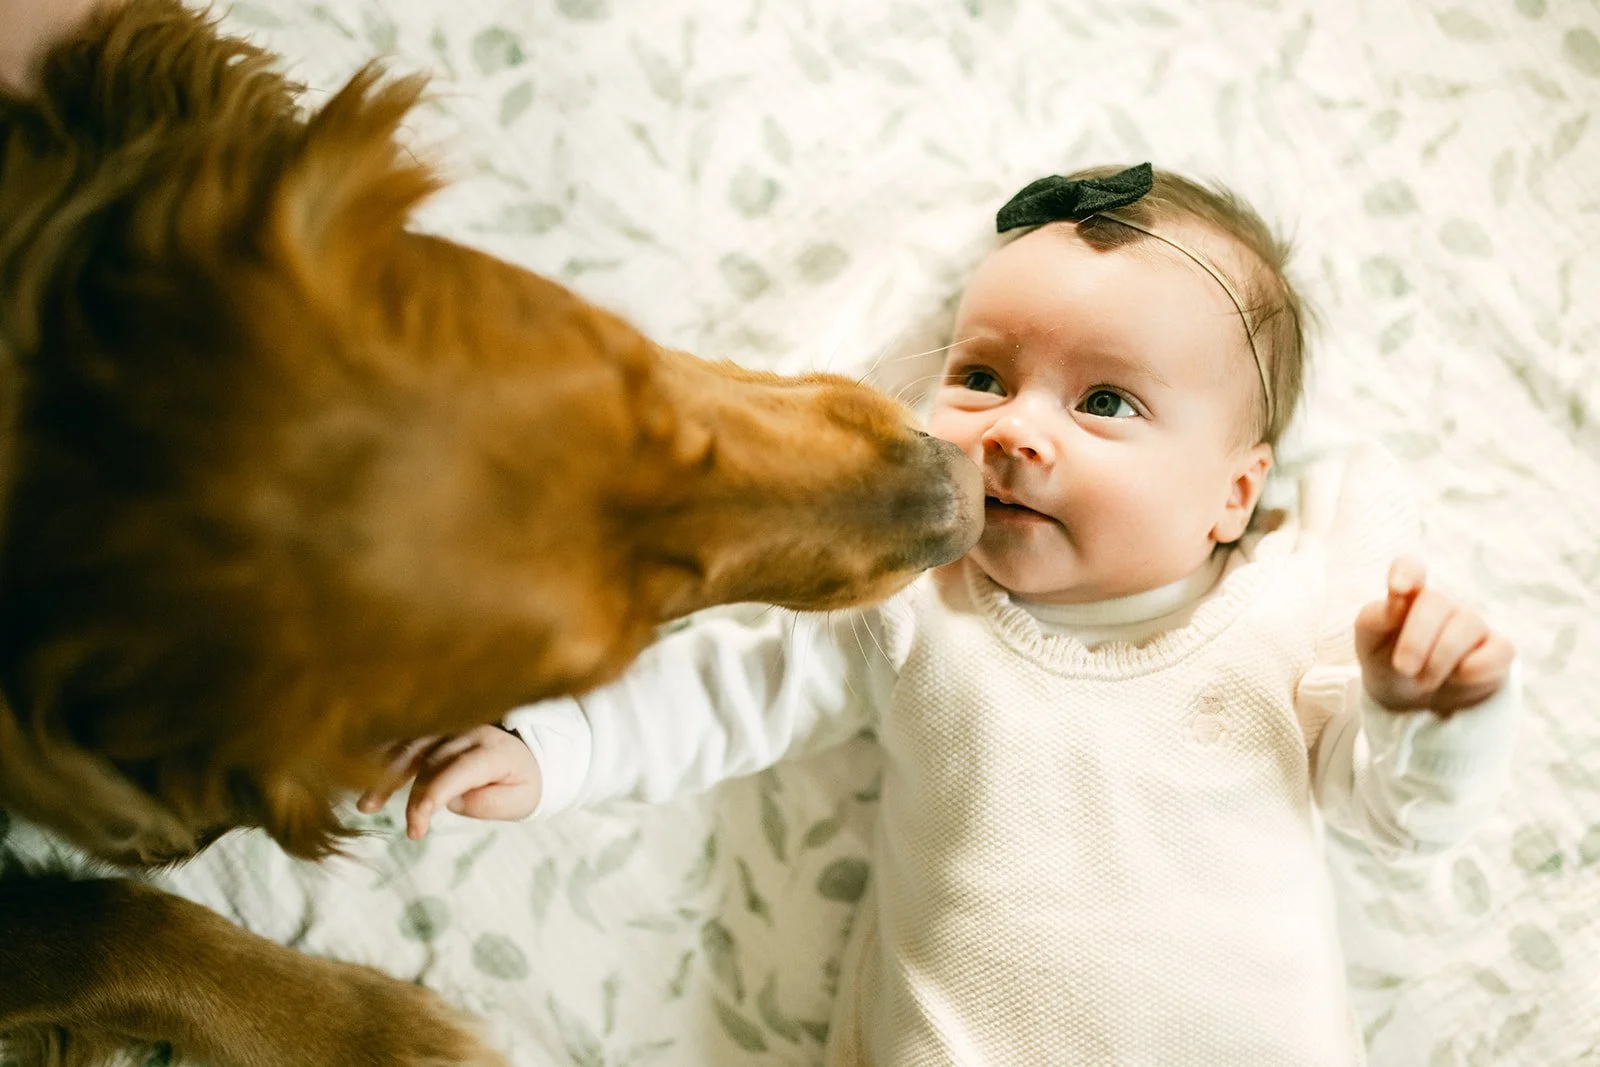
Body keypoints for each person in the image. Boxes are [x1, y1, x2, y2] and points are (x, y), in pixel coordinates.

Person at [360, 163, 1521, 1066]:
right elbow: (725, 686)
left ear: (1233, 490)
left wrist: (1429, 707)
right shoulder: (918, 604)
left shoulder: (1293, 610)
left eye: (1105, 400)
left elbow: (1397, 809)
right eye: (980, 375)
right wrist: (548, 745)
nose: (1016, 429)